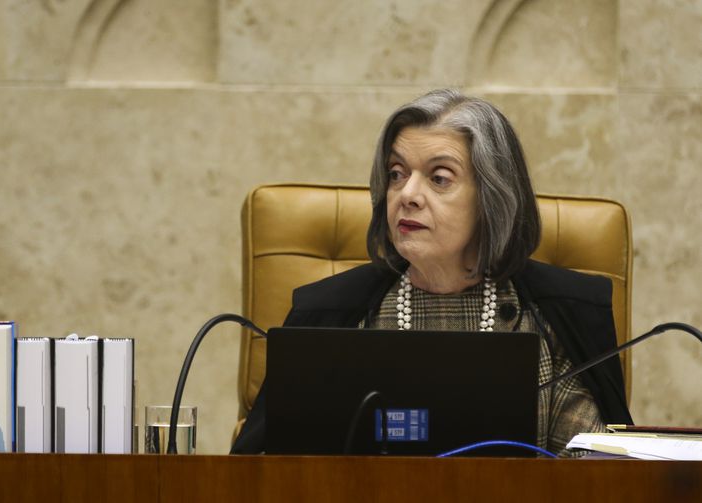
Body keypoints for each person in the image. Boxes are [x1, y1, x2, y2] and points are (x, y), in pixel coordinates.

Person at [231, 89, 632, 456]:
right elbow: (265, 472)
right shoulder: (327, 315)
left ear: (491, 198)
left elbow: (590, 468)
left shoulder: (558, 316)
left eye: (439, 178)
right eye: (397, 174)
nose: (407, 195)